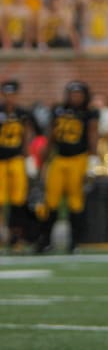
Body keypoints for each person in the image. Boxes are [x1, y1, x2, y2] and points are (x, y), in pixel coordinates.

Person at [35, 81, 99, 253]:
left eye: (78, 94)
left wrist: (93, 159)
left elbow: (93, 135)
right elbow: (51, 136)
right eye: (72, 93)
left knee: (75, 203)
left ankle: (74, 242)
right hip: (59, 159)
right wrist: (42, 162)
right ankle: (45, 240)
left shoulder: (89, 113)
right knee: (50, 201)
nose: (75, 97)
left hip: (78, 159)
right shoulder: (58, 110)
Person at [0, 79, 35, 251]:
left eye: (12, 94)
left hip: (16, 160)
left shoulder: (23, 113)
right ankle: (2, 236)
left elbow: (28, 134)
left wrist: (28, 157)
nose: (9, 98)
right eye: (6, 94)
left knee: (18, 201)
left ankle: (16, 238)